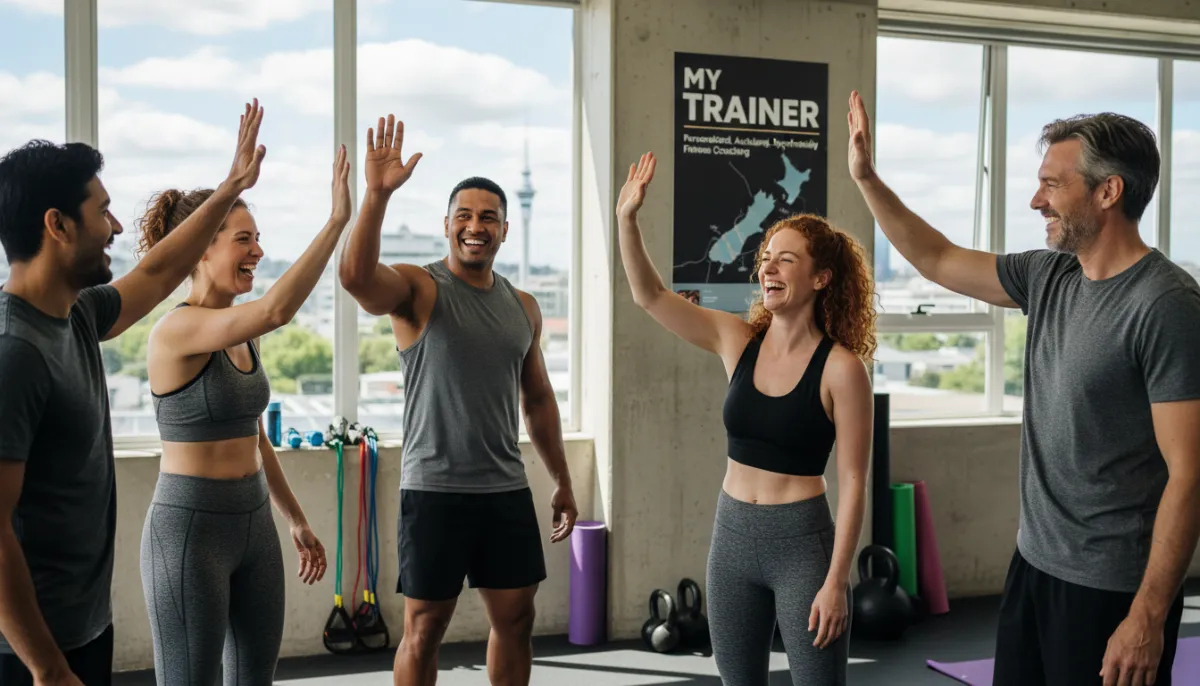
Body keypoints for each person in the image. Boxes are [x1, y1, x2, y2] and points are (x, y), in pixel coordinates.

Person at [847, 90, 1200, 686]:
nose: (1037, 200)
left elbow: (1190, 473)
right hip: (1034, 564)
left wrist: (1148, 615)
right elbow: (935, 258)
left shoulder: (1165, 306)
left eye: (1052, 185)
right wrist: (866, 178)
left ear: (1108, 191)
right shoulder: (1050, 274)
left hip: (1111, 588)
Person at [0, 99, 268, 686]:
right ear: (57, 224)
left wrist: (229, 189)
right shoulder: (14, 352)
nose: (117, 228)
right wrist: (45, 667)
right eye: (104, 211)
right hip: (27, 654)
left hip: (84, 627)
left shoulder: (77, 315)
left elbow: (154, 275)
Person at [338, 114, 579, 686]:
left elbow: (539, 399)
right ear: (446, 225)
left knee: (517, 620)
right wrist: (375, 196)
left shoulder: (523, 305)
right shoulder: (419, 288)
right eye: (465, 216)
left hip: (505, 488)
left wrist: (562, 480)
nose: (477, 226)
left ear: (503, 231)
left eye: (488, 218)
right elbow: (354, 278)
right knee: (425, 631)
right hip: (435, 489)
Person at [615, 152, 874, 685]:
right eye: (766, 258)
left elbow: (852, 481)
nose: (767, 268)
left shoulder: (842, 370)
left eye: (786, 259)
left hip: (803, 544)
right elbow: (649, 296)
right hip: (731, 535)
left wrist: (836, 580)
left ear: (822, 277)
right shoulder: (738, 341)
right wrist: (627, 220)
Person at [134, 143, 351, 684]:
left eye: (257, 238)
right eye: (244, 239)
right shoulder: (176, 331)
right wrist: (336, 221)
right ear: (201, 249)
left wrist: (295, 519)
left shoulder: (240, 336)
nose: (257, 250)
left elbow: (256, 440)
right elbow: (278, 309)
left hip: (254, 526)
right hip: (189, 532)